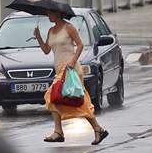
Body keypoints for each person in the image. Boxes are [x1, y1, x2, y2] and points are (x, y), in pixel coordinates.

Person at [34, 9, 109, 145]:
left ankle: (58, 132)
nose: (48, 16)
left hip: (71, 69)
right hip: (60, 70)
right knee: (77, 101)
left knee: (51, 97)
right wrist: (38, 37)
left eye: (50, 13)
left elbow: (80, 45)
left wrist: (73, 60)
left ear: (58, 13)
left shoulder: (68, 27)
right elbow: (46, 50)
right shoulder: (51, 31)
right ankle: (98, 129)